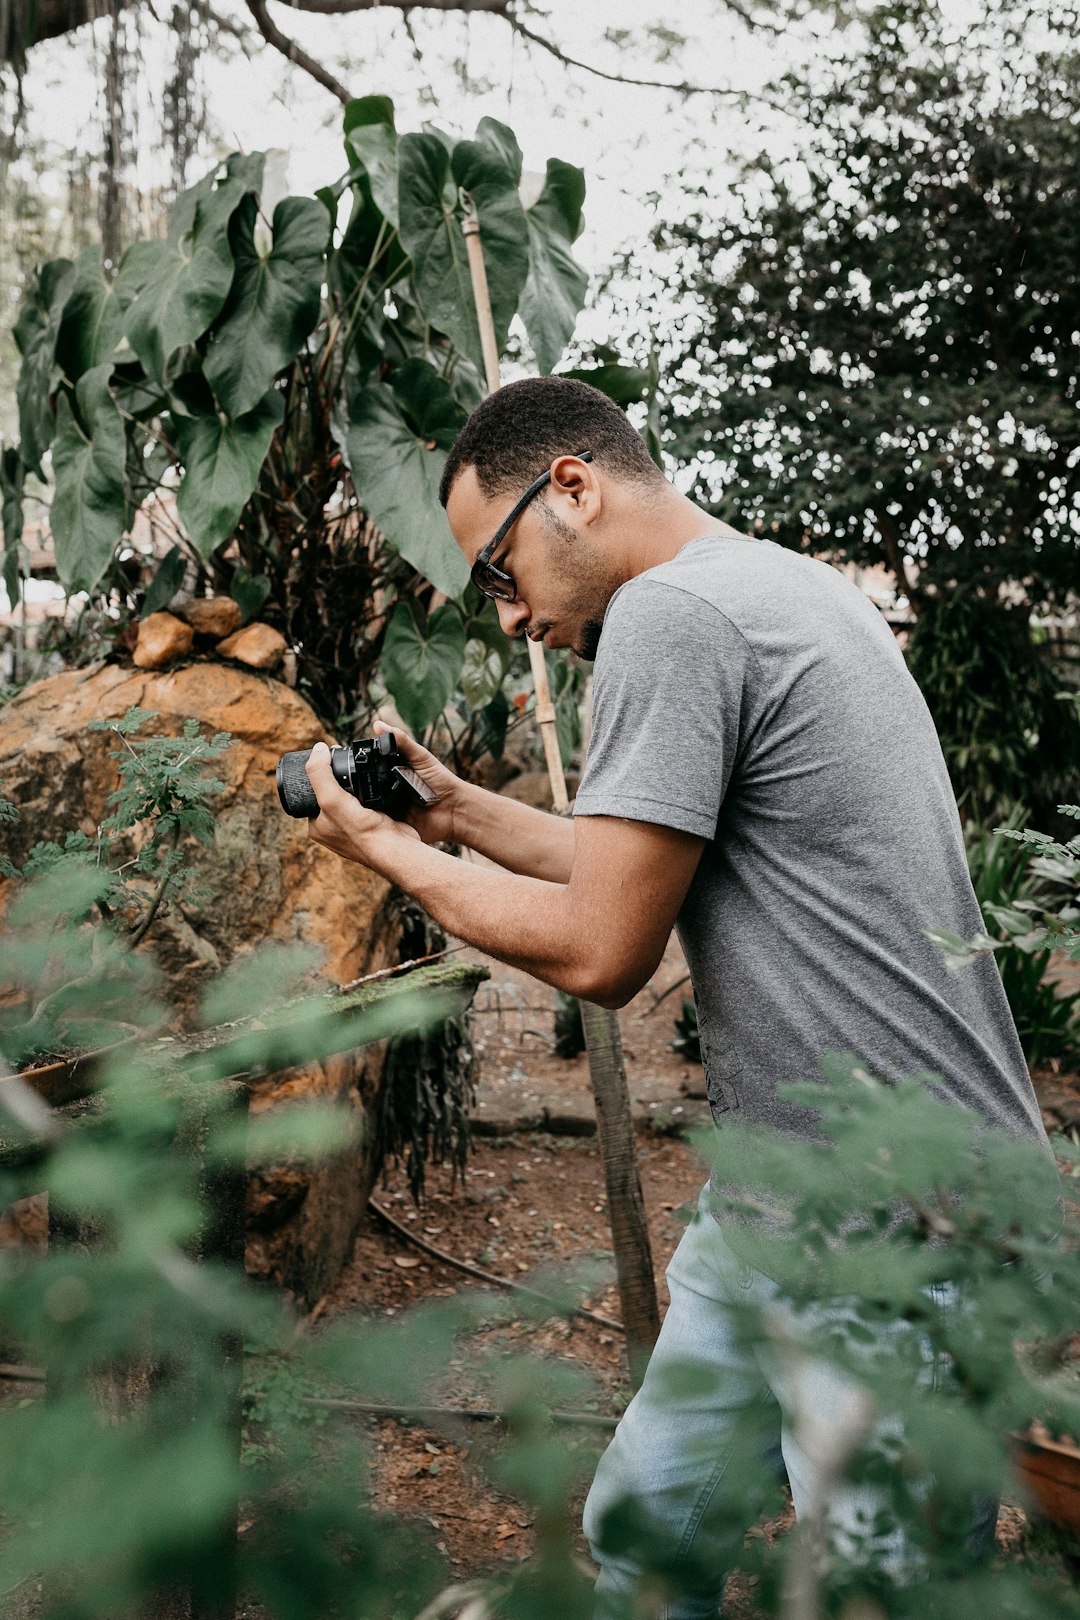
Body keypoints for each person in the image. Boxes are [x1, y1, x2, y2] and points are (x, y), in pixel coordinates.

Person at [304, 376, 1052, 1615]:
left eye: (497, 575)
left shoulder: (671, 617)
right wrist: (452, 813)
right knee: (649, 1540)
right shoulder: (778, 583)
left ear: (575, 489)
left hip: (895, 1222)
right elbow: (635, 855)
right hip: (785, 1195)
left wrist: (384, 853)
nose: (507, 619)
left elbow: (606, 948)